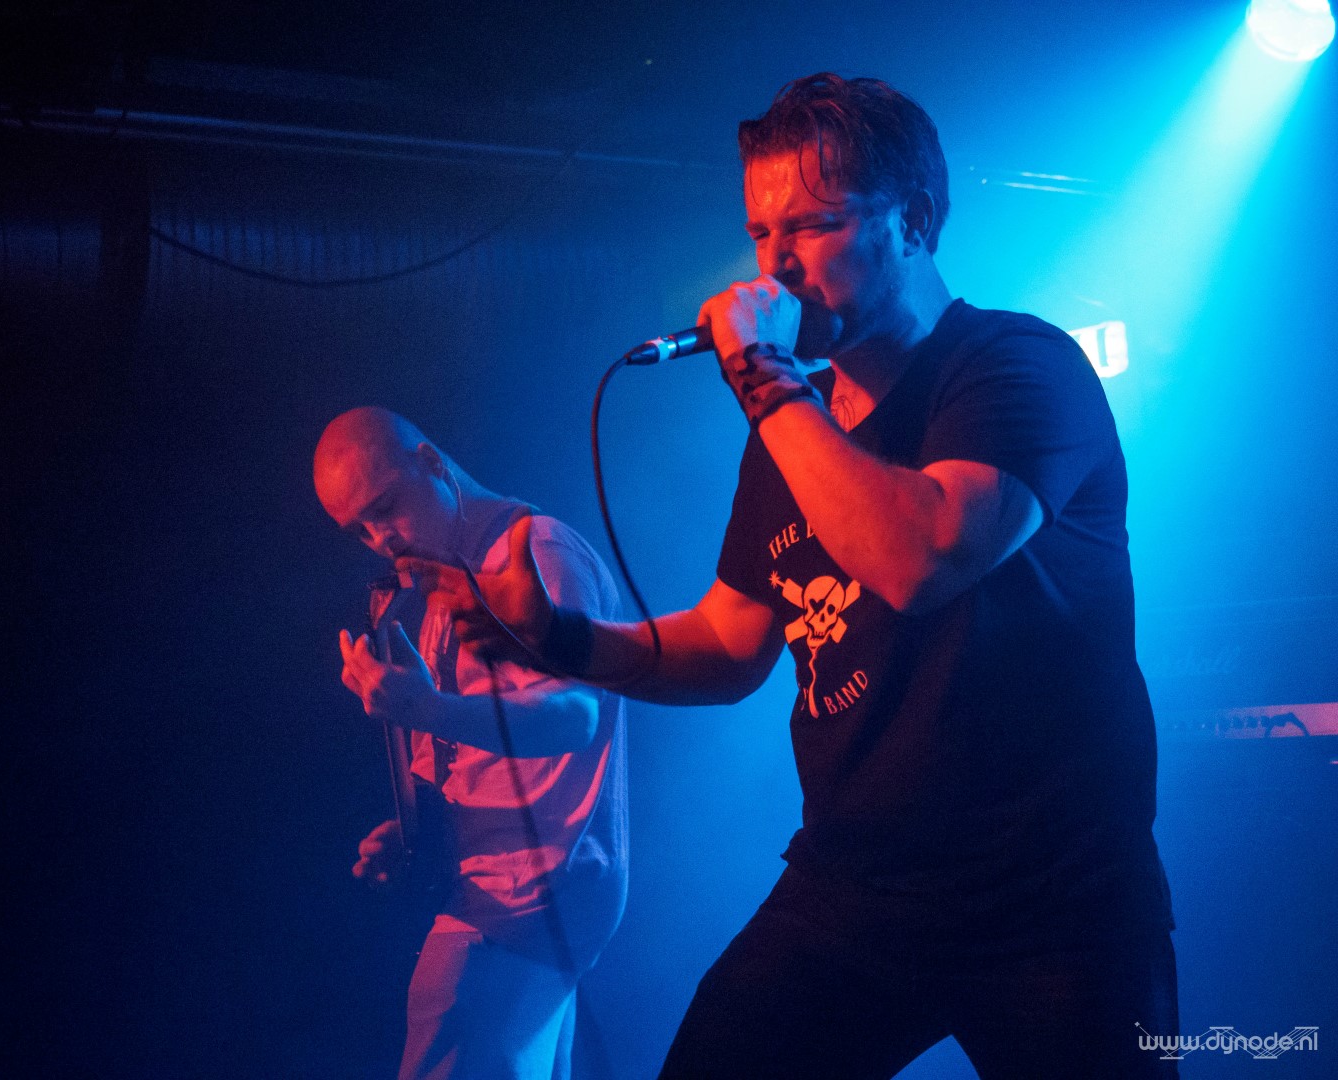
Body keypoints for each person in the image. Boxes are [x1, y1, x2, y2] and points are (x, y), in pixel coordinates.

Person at [404, 74, 1177, 1078]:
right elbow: (730, 644)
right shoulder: (791, 428)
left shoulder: (1014, 366)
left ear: (913, 221)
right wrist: (558, 638)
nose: (774, 266)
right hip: (857, 888)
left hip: (1055, 903)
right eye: (761, 233)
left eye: (812, 226)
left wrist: (766, 380)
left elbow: (920, 558)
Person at [314, 407, 628, 1080]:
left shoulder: (535, 552)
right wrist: (414, 828)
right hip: (510, 899)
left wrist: (429, 708)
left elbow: (574, 715)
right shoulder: (441, 581)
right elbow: (468, 755)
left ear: (432, 462)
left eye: (385, 508)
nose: (379, 539)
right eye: (359, 529)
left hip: (521, 899)